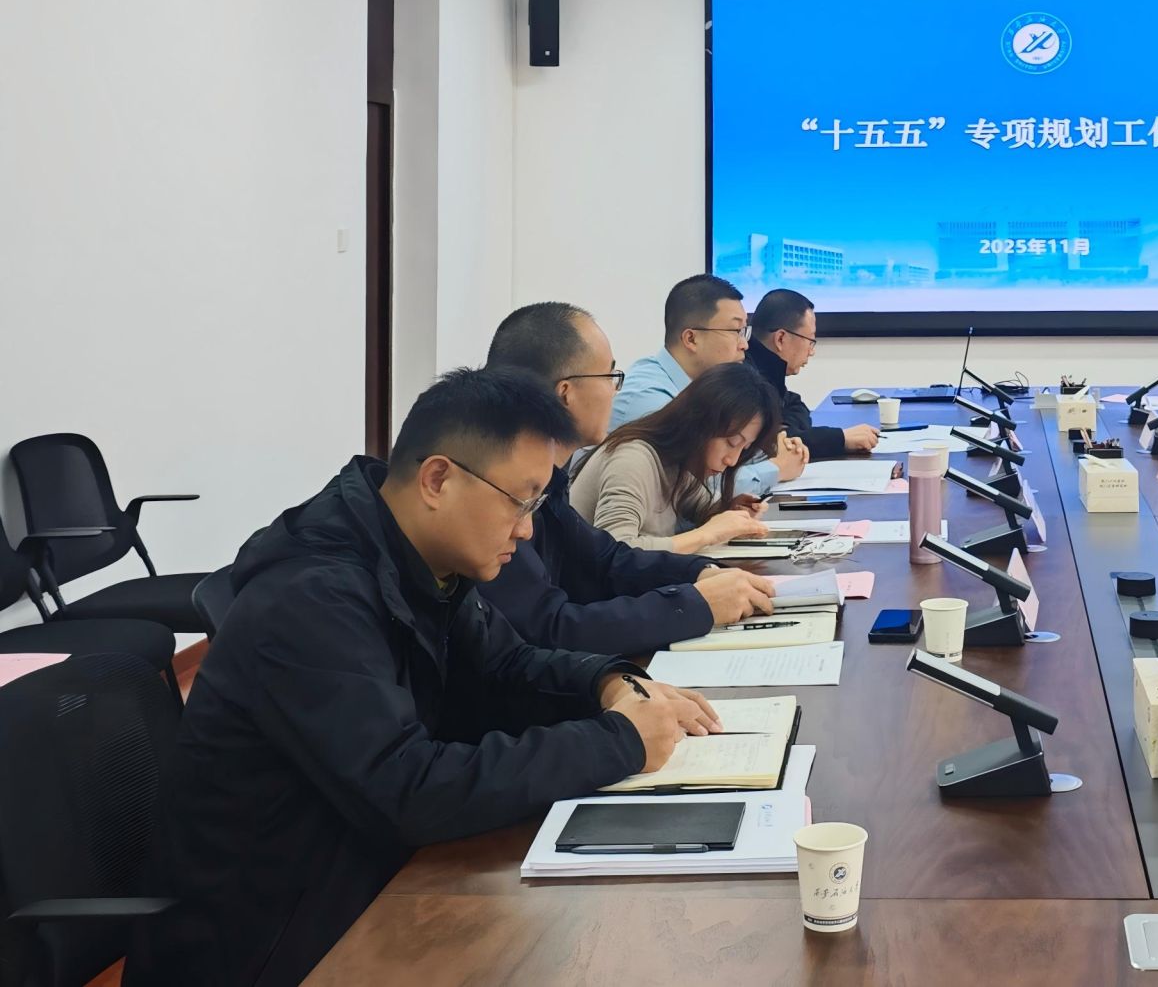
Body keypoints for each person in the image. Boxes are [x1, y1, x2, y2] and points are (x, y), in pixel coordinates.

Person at [131, 369, 722, 987]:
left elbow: (506, 665)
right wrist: (617, 741)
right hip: (270, 936)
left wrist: (607, 683)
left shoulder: (416, 556)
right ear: (438, 479)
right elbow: (407, 789)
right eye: (520, 502)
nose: (526, 530)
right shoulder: (311, 598)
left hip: (362, 877)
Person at [477, 301, 776, 651]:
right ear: (566, 394)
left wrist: (699, 572)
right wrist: (694, 605)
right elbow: (549, 628)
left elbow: (609, 559)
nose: (615, 391)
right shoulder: (495, 492)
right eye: (610, 377)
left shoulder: (550, 482)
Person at [611, 273, 805, 496]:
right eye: (735, 331)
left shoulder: (702, 391)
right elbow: (700, 487)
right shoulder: (650, 400)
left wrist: (773, 448)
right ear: (691, 339)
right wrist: (777, 468)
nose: (744, 344)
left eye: (745, 332)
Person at [574, 362, 785, 552]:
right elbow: (616, 552)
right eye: (732, 442)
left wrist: (730, 510)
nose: (732, 460)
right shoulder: (633, 458)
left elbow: (700, 504)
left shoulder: (675, 462)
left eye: (744, 448)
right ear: (701, 422)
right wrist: (708, 534)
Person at [745, 287, 879, 459]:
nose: (812, 351)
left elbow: (795, 405)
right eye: (810, 341)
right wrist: (840, 439)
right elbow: (767, 444)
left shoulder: (766, 369)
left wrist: (785, 429)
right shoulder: (744, 379)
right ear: (781, 339)